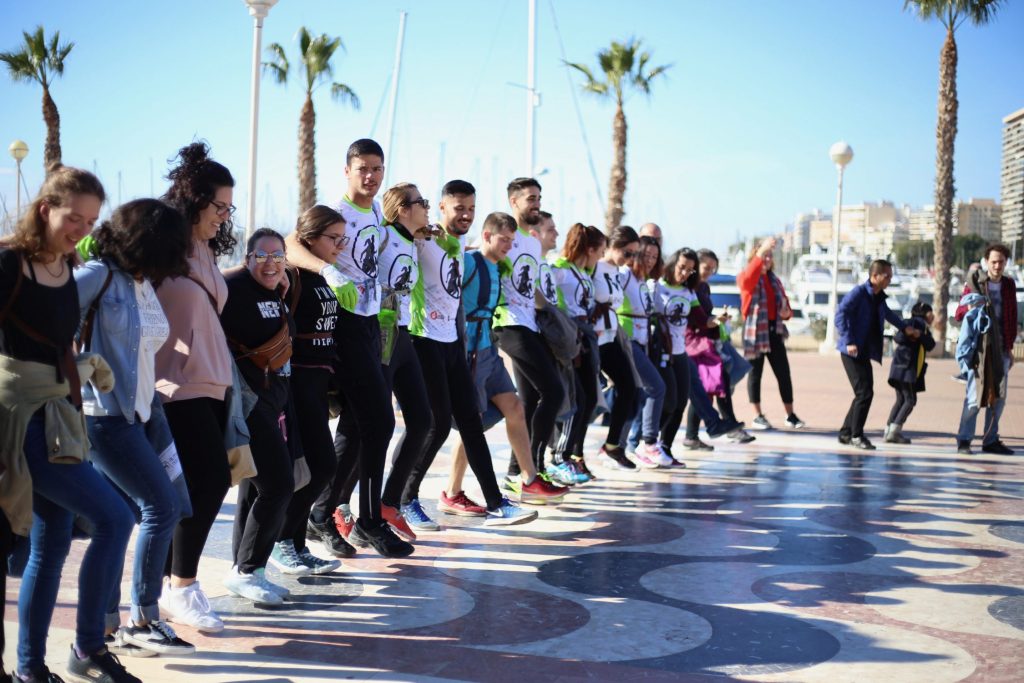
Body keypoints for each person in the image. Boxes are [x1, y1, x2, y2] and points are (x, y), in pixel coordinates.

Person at [1, 166, 142, 682]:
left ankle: (30, 669)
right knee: (116, 518)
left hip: (62, 416)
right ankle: (87, 648)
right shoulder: (8, 263)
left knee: (52, 542)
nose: (81, 229)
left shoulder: (67, 265)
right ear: (45, 209)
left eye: (90, 222)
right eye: (73, 218)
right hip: (23, 423)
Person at [74, 199, 196, 657]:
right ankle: (143, 618)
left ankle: (106, 623)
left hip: (141, 416)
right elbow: (43, 322)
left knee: (119, 521)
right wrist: (79, 367)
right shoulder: (96, 276)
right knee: (160, 508)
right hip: (103, 417)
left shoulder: (140, 282)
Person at [286, 139, 407, 558]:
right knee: (380, 422)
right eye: (362, 169)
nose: (370, 177)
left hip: (373, 323)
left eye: (377, 168)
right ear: (347, 170)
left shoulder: (375, 209)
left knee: (357, 428)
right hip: (346, 326)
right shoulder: (336, 211)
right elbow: (289, 242)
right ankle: (369, 519)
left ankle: (322, 514)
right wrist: (326, 270)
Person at [401, 180, 537, 527]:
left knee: (469, 425)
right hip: (424, 339)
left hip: (455, 345)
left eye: (471, 209)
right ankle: (403, 498)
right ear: (442, 208)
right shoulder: (425, 239)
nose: (465, 215)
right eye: (458, 208)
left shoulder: (459, 244)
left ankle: (496, 503)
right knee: (431, 426)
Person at [156, 142, 238, 632]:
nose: (224, 217)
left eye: (230, 209)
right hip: (173, 386)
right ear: (193, 200)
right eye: (218, 207)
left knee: (193, 486)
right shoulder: (163, 248)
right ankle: (181, 585)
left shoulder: (207, 250)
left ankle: (168, 583)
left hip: (213, 383)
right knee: (207, 481)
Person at [444, 211, 568, 512]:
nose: (509, 247)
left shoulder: (501, 267)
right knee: (470, 423)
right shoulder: (470, 262)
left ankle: (529, 479)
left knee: (514, 407)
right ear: (486, 236)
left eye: (513, 241)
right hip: (470, 351)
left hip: (488, 348)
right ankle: (452, 492)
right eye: (504, 240)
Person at [220, 229, 300, 605]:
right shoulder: (232, 285)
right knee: (279, 485)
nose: (270, 263)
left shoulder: (276, 290)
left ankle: (247, 569)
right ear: (247, 258)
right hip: (247, 403)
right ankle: (247, 569)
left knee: (254, 488)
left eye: (278, 256)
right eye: (262, 256)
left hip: (274, 403)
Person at [270, 207, 348, 571]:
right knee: (316, 466)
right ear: (310, 237)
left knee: (319, 466)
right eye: (333, 238)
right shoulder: (292, 272)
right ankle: (282, 541)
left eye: (342, 238)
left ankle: (296, 543)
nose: (339, 245)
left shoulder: (322, 273)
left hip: (319, 382)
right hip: (296, 383)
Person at [493, 178, 566, 479]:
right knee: (554, 391)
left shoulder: (533, 243)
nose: (536, 203)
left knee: (530, 400)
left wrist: (549, 316)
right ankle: (531, 468)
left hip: (531, 324)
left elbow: (532, 288)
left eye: (538, 198)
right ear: (514, 202)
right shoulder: (504, 236)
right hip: (507, 324)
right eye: (530, 199)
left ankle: (516, 470)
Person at [835, 259, 917, 450]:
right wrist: (849, 341)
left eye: (890, 275)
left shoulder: (878, 297)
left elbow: (888, 314)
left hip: (863, 350)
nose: (889, 279)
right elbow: (841, 314)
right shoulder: (859, 293)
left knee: (863, 393)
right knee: (865, 393)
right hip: (850, 351)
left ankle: (846, 432)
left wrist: (906, 329)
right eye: (887, 275)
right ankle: (856, 436)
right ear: (874, 276)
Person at [550, 223, 609, 479]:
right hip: (570, 337)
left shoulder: (583, 271)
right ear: (590, 248)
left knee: (588, 398)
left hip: (586, 337)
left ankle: (574, 454)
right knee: (577, 399)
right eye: (600, 251)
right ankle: (560, 455)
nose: (602, 257)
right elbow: (553, 302)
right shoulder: (560, 269)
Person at [954, 243, 1018, 455]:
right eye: (994, 262)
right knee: (974, 397)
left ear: (1006, 263)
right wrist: (970, 307)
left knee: (998, 399)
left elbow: (1012, 316)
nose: (997, 266)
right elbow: (959, 312)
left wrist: (1009, 348)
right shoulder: (976, 282)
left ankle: (990, 440)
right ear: (986, 262)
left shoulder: (1009, 285)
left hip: (1001, 350)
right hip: (980, 351)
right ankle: (964, 440)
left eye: (1001, 262)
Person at [683, 248, 749, 451]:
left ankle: (695, 434)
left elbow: (706, 315)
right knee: (709, 384)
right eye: (706, 267)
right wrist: (712, 321)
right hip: (692, 343)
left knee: (705, 387)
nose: (709, 272)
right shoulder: (688, 288)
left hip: (705, 341)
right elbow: (697, 318)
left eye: (713, 269)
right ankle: (724, 424)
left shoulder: (704, 288)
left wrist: (717, 320)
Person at [737, 237, 804, 430]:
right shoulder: (746, 276)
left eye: (769, 256)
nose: (767, 259)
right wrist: (762, 250)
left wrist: (787, 313)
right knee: (755, 374)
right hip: (755, 333)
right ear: (756, 257)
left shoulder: (775, 280)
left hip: (774, 331)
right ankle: (757, 415)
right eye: (764, 256)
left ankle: (790, 415)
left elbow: (786, 306)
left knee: (784, 373)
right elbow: (748, 279)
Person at [616, 231, 669, 467]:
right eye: (646, 254)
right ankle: (646, 443)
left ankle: (623, 445)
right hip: (626, 340)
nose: (650, 260)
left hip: (642, 340)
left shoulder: (645, 282)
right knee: (656, 387)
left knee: (637, 394)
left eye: (655, 256)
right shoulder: (626, 275)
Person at [592, 226, 639, 470]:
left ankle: (613, 445)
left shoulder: (618, 272)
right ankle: (567, 450)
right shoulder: (595, 266)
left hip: (610, 338)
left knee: (629, 387)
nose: (630, 259)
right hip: (593, 338)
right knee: (587, 396)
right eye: (627, 252)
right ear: (613, 245)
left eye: (633, 255)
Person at [885, 302, 935, 444]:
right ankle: (894, 432)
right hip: (905, 368)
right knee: (910, 400)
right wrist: (912, 334)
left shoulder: (923, 328)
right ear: (925, 313)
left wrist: (918, 335)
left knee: (901, 400)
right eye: (931, 313)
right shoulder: (914, 322)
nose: (933, 316)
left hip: (900, 367)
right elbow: (899, 338)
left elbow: (930, 344)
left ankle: (889, 431)